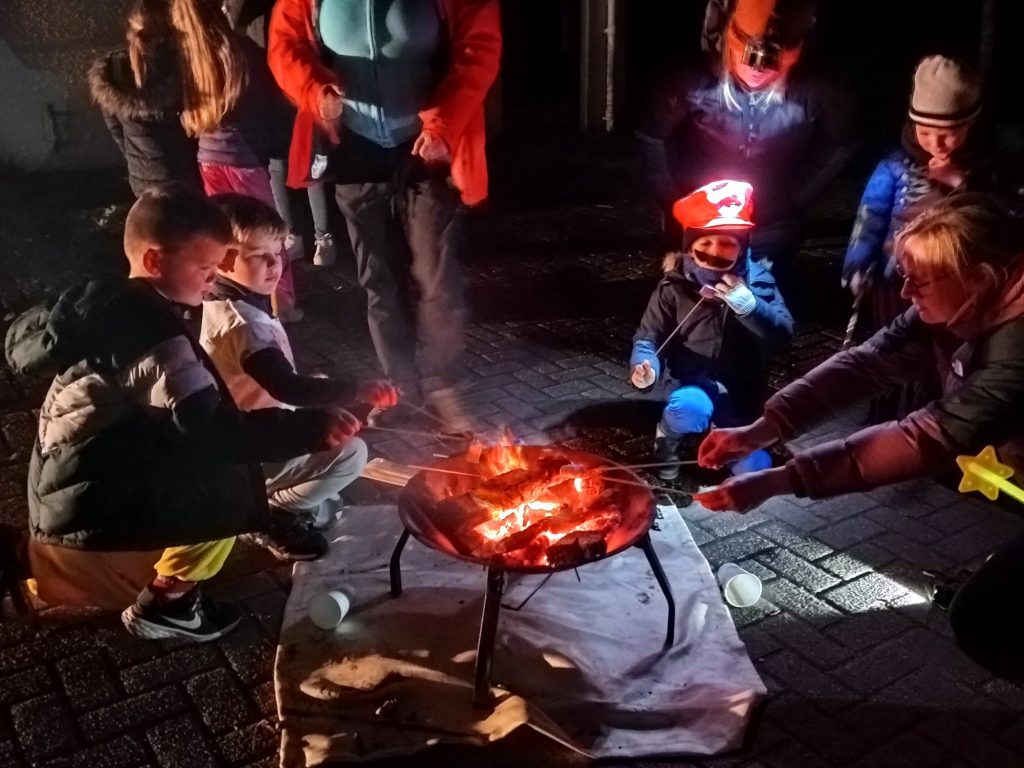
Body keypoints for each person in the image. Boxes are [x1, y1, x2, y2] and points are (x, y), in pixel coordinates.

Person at [4, 185, 360, 641]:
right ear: (155, 261)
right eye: (205, 268)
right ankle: (168, 601)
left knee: (215, 469)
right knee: (226, 490)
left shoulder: (115, 303)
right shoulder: (149, 332)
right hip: (88, 503)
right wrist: (311, 428)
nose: (213, 280)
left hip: (78, 483)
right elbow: (212, 433)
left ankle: (58, 566)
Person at [694, 194, 1024, 681]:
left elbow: (924, 439)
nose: (906, 292)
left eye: (920, 280)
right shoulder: (963, 300)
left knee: (982, 619)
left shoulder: (1016, 349)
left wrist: (779, 481)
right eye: (904, 274)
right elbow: (866, 364)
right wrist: (761, 429)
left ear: (978, 277)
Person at [267, 0, 502, 428]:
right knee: (378, 279)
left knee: (437, 279)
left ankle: (445, 386)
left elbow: (479, 49)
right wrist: (314, 90)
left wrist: (445, 125)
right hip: (355, 153)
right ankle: (400, 390)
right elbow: (285, 45)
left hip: (427, 151)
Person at [636, 0, 855, 317]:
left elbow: (841, 143)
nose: (758, 68)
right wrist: (676, 203)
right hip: (700, 220)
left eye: (773, 58)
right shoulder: (690, 79)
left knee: (761, 306)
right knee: (689, 305)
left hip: (771, 220)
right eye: (749, 52)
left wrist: (796, 198)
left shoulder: (818, 88)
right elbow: (654, 136)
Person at [201, 193, 396, 533]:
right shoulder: (245, 325)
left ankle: (287, 498)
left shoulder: (219, 303)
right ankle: (273, 513)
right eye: (259, 256)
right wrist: (357, 390)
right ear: (221, 260)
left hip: (241, 436)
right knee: (353, 454)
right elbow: (287, 387)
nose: (275, 264)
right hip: (255, 451)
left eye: (277, 252)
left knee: (319, 389)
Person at [629, 180, 793, 480]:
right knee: (689, 408)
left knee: (754, 469)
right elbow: (648, 337)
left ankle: (724, 435)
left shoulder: (759, 283)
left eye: (727, 243)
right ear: (689, 247)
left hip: (740, 388)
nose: (715, 252)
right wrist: (645, 366)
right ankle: (667, 439)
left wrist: (751, 307)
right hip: (690, 380)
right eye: (705, 244)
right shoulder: (673, 287)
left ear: (742, 248)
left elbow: (782, 335)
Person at [167, 0, 302, 321]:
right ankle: (282, 303)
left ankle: (226, 294)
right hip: (244, 155)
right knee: (267, 234)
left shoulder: (185, 54)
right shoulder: (237, 50)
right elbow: (266, 102)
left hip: (207, 155)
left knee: (223, 233)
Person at [88, 0, 201, 196]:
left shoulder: (113, 72)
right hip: (185, 173)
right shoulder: (180, 67)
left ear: (129, 30)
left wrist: (136, 158)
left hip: (142, 180)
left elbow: (115, 128)